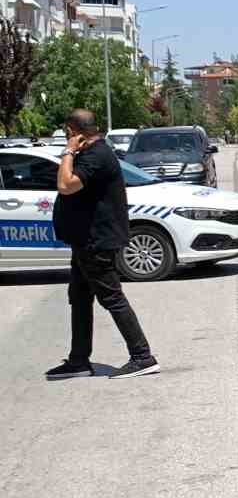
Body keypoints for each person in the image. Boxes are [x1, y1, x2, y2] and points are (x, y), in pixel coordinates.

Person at [46, 109, 159, 380]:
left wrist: (68, 152)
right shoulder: (93, 153)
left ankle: (143, 357)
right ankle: (79, 360)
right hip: (84, 241)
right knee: (80, 298)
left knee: (112, 298)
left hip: (96, 242)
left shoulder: (96, 155)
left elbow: (65, 184)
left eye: (67, 133)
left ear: (73, 131)